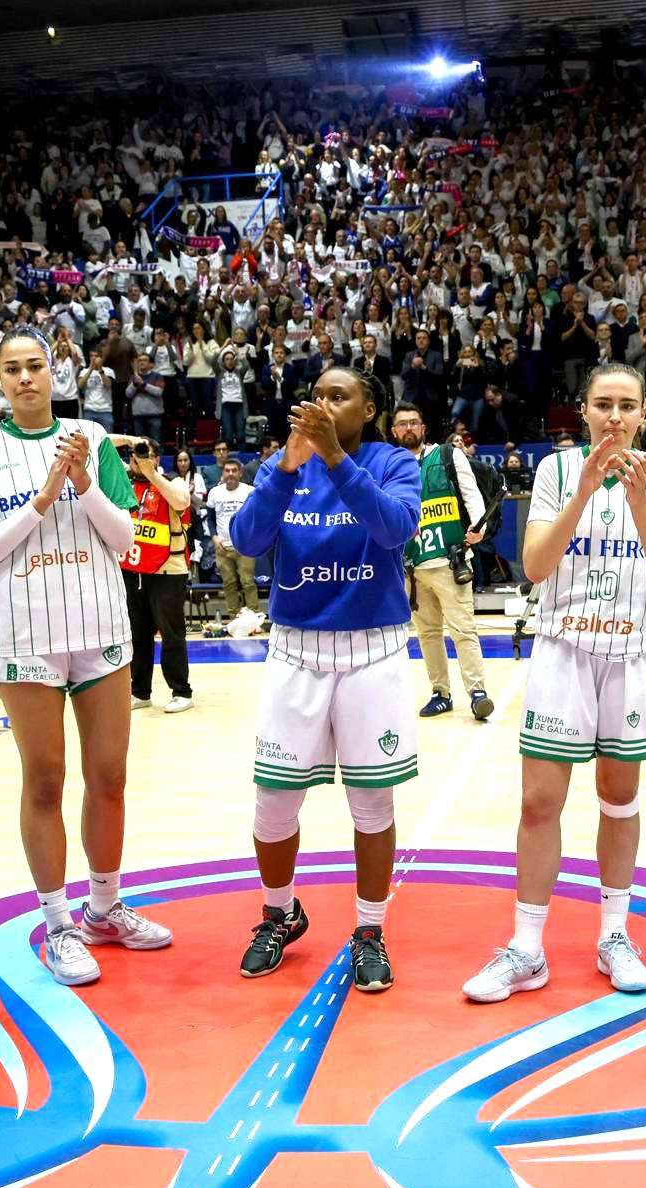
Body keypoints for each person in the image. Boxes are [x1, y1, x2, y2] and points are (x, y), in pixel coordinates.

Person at [0, 326, 174, 984]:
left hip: (98, 625)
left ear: (56, 373)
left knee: (109, 777)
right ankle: (58, 923)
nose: (25, 378)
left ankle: (105, 908)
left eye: (35, 365)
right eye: (12, 369)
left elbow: (126, 540)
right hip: (25, 633)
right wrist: (43, 500)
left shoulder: (92, 439)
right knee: (45, 781)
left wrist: (83, 484)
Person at [462, 363, 646, 1002]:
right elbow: (535, 565)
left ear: (644, 413)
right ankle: (527, 947)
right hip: (564, 650)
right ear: (583, 411)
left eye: (627, 405)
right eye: (603, 404)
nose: (615, 416)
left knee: (619, 798)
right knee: (540, 802)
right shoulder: (557, 471)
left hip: (633, 653)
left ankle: (614, 934)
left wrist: (638, 502)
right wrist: (584, 492)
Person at [228, 367, 421, 991]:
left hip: (374, 648)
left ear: (369, 410)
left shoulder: (394, 462)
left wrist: (335, 458)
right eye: (318, 395)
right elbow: (246, 539)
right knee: (273, 801)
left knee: (372, 802)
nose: (324, 404)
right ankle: (280, 914)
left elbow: (394, 529)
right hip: (295, 648)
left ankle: (370, 930)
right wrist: (286, 468)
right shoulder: (284, 464)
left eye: (340, 396)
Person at [392, 402, 493, 721]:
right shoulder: (390, 464)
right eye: (402, 424)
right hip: (411, 564)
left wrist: (478, 526)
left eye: (414, 422)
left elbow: (472, 494)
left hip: (450, 560)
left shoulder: (448, 455)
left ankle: (477, 692)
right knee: (427, 633)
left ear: (423, 428)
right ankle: (440, 693)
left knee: (463, 629)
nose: (409, 428)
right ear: (394, 431)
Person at [117, 434, 195, 713]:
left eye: (145, 453)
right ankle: (140, 692)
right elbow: (96, 445)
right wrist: (129, 440)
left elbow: (181, 502)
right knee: (137, 634)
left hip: (168, 570)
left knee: (171, 634)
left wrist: (152, 473)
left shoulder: (173, 481)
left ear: (157, 458)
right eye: (134, 455)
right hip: (133, 569)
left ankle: (182, 691)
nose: (137, 459)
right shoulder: (122, 482)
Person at [206, 458, 261, 617]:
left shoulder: (250, 492)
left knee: (248, 582)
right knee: (228, 584)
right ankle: (234, 618)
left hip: (245, 547)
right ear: (222, 473)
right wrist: (214, 536)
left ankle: (253, 618)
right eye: (227, 470)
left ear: (240, 473)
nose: (230, 474)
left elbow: (257, 516)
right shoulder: (215, 492)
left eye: (234, 470)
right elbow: (210, 518)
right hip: (222, 546)